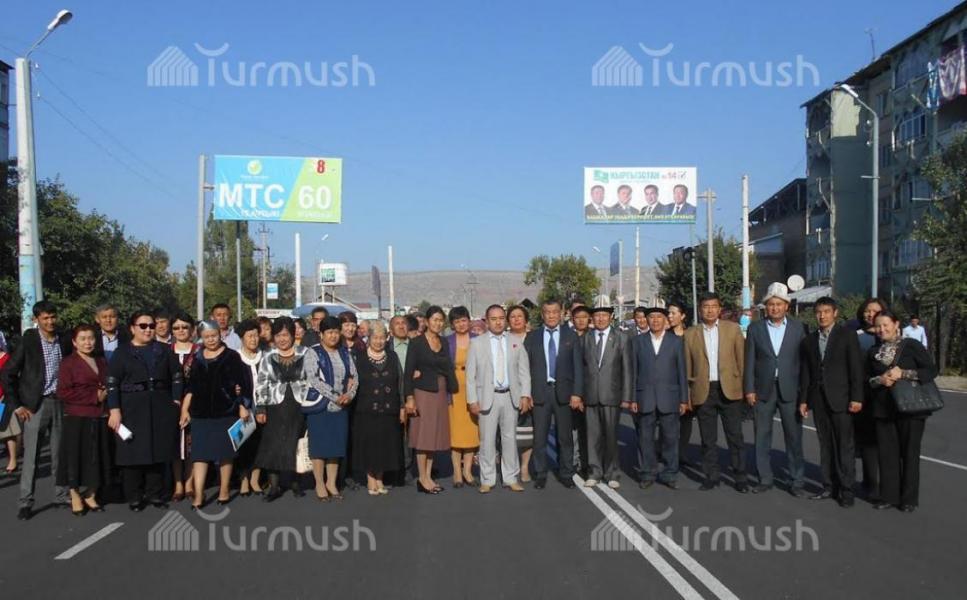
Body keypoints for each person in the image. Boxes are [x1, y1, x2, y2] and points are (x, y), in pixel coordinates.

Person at [2, 300, 73, 520]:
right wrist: (17, 405)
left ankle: (61, 495)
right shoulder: (29, 341)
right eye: (45, 318)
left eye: (53, 317)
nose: (50, 321)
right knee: (31, 456)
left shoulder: (63, 339)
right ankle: (26, 501)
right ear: (36, 319)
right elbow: (8, 373)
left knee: (59, 453)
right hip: (35, 405)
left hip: (60, 401)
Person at [107, 311, 183, 511]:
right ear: (132, 328)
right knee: (132, 452)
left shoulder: (164, 350)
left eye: (151, 326)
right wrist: (114, 409)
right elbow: (112, 383)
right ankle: (134, 496)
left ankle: (155, 493)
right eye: (143, 326)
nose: (148, 329)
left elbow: (177, 376)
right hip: (131, 407)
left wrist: (176, 400)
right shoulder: (122, 352)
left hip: (160, 405)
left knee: (158, 450)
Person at [867, 311, 938, 512]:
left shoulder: (911, 345)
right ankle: (888, 496)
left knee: (910, 453)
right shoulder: (873, 351)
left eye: (886, 324)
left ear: (896, 324)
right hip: (884, 409)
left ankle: (908, 499)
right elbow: (868, 380)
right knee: (887, 454)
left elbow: (931, 370)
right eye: (878, 326)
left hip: (911, 407)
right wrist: (880, 380)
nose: (882, 329)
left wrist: (904, 373)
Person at [178, 321, 252, 509]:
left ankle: (224, 489)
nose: (211, 340)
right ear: (201, 337)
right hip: (200, 413)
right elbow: (190, 387)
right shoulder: (197, 357)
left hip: (226, 411)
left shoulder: (232, 356)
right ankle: (198, 494)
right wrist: (185, 410)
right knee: (199, 455)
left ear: (220, 335)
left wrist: (243, 406)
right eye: (206, 336)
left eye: (214, 335)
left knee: (225, 453)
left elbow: (243, 383)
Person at [799, 297, 864, 508]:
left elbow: (856, 368)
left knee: (844, 445)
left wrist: (857, 397)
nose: (822, 315)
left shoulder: (847, 336)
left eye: (826, 311)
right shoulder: (809, 340)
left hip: (842, 399)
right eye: (819, 312)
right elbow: (807, 372)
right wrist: (804, 400)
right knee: (825, 444)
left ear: (835, 313)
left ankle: (847, 489)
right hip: (819, 400)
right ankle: (828, 485)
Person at [744, 283, 808, 497]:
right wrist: (749, 389)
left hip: (791, 389)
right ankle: (765, 478)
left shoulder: (799, 328)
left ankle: (796, 480)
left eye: (779, 304)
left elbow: (804, 363)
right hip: (763, 389)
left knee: (794, 437)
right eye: (771, 304)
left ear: (786, 306)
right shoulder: (755, 328)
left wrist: (804, 394)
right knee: (762, 436)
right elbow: (749, 360)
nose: (775, 308)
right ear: (766, 306)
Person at [684, 293, 748, 493]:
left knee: (735, 436)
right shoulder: (690, 334)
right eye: (706, 306)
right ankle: (711, 476)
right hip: (703, 390)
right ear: (700, 309)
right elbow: (687, 367)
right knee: (707, 438)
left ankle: (740, 476)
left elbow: (742, 360)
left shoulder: (733, 329)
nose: (710, 310)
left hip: (729, 388)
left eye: (714, 306)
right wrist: (687, 395)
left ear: (720, 309)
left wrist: (745, 389)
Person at [466, 305, 532, 493]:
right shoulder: (477, 343)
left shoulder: (515, 341)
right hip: (487, 397)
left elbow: (524, 372)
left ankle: (510, 477)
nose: (498, 322)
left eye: (501, 318)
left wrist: (525, 395)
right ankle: (487, 479)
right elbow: (470, 375)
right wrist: (472, 400)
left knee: (509, 439)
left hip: (510, 397)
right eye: (493, 319)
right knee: (486, 440)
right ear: (487, 321)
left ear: (505, 320)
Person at [254, 317, 320, 502]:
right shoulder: (268, 356)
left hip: (299, 404)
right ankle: (274, 486)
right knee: (273, 445)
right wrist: (261, 407)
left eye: (285, 335)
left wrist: (311, 401)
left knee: (295, 443)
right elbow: (262, 382)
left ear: (293, 335)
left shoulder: (306, 353)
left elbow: (314, 378)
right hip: (275, 405)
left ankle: (296, 482)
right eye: (278, 335)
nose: (282, 339)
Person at [524, 299, 582, 489]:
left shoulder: (571, 336)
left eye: (555, 312)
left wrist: (577, 393)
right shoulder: (532, 337)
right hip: (539, 392)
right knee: (539, 437)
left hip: (564, 393)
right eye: (547, 312)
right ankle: (540, 473)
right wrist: (526, 393)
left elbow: (577, 367)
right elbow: (525, 368)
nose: (551, 316)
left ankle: (566, 473)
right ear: (542, 314)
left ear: (561, 313)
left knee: (565, 437)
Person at [577, 299, 633, 489]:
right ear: (592, 317)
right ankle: (594, 472)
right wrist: (579, 394)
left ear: (611, 316)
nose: (600, 318)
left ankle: (612, 473)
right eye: (597, 315)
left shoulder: (621, 338)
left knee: (610, 436)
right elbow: (581, 369)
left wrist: (626, 397)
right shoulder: (585, 338)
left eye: (604, 315)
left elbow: (627, 370)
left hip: (611, 395)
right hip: (591, 395)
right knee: (592, 437)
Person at [56, 325, 111, 515]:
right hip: (77, 417)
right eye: (83, 339)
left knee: (97, 457)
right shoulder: (68, 363)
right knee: (75, 458)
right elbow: (63, 392)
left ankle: (91, 493)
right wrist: (94, 396)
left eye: (91, 338)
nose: (88, 342)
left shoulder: (101, 361)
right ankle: (75, 495)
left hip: (100, 415)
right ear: (74, 342)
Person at [631, 307, 687, 489]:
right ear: (646, 320)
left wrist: (684, 399)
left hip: (669, 397)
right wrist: (632, 398)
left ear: (665, 320)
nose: (655, 320)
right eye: (651, 317)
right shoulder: (637, 342)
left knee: (671, 438)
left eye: (659, 317)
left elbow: (682, 372)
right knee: (645, 438)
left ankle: (670, 473)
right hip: (644, 396)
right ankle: (647, 473)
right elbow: (633, 371)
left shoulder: (676, 341)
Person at [403, 306, 457, 495]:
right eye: (434, 319)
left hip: (440, 391)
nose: (438, 323)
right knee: (423, 436)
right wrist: (409, 397)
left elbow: (448, 367)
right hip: (422, 392)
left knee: (434, 435)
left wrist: (453, 388)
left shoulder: (443, 341)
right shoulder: (416, 343)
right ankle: (422, 478)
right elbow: (409, 372)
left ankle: (428, 475)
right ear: (426, 321)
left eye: (441, 320)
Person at [305, 316, 358, 501]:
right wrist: (336, 396)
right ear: (321, 334)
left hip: (341, 407)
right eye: (329, 332)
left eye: (336, 332)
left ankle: (331, 483)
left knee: (336, 446)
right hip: (320, 406)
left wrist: (349, 395)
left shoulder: (344, 352)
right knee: (319, 448)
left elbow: (354, 377)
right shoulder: (313, 352)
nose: (333, 336)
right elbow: (313, 379)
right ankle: (320, 483)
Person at [353, 321, 403, 496]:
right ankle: (370, 478)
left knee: (385, 445)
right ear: (369, 338)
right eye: (375, 337)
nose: (379, 341)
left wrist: (402, 406)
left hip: (389, 409)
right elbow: (353, 382)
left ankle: (380, 478)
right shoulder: (359, 357)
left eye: (382, 338)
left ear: (387, 338)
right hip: (366, 409)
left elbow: (400, 382)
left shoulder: (393, 356)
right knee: (369, 445)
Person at [855, 297, 888, 497]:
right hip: (864, 394)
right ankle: (870, 484)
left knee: (887, 443)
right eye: (867, 310)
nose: (870, 314)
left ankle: (889, 486)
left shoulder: (891, 335)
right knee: (868, 442)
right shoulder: (856, 335)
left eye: (875, 311)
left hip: (887, 396)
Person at [445, 306, 480, 487]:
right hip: (454, 390)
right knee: (456, 434)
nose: (461, 324)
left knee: (471, 432)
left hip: (474, 390)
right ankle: (457, 473)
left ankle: (467, 470)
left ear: (469, 321)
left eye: (463, 320)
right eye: (457, 321)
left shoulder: (478, 339)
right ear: (452, 324)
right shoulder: (447, 342)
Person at [169, 312, 198, 501]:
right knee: (174, 445)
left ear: (192, 329)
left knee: (191, 445)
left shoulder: (199, 351)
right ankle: (178, 483)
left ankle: (189, 483)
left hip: (195, 404)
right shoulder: (165, 351)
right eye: (176, 327)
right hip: (171, 403)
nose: (180, 331)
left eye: (184, 327)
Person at [235, 320, 264, 496]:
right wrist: (240, 405)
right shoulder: (235, 357)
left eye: (256, 335)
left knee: (261, 444)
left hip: (263, 407)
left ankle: (255, 478)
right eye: (249, 336)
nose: (253, 339)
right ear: (242, 338)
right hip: (243, 408)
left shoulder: (266, 356)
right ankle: (244, 479)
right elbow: (232, 386)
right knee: (243, 444)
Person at [508, 305, 534, 482]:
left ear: (526, 320)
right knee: (508, 432)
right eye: (513, 316)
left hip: (530, 392)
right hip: (507, 391)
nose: (516, 319)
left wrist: (529, 393)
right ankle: (511, 466)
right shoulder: (503, 339)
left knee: (527, 432)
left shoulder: (534, 339)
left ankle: (524, 467)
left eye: (520, 316)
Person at [665, 301, 693, 466]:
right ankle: (667, 451)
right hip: (669, 384)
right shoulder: (664, 335)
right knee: (668, 420)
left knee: (686, 420)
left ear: (682, 316)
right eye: (668, 313)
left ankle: (682, 452)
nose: (670, 316)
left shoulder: (691, 335)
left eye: (673, 313)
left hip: (687, 383)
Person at [0, 345, 21, 476]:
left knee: (8, 431)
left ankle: (13, 461)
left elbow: (9, 379)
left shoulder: (6, 358)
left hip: (3, 397)